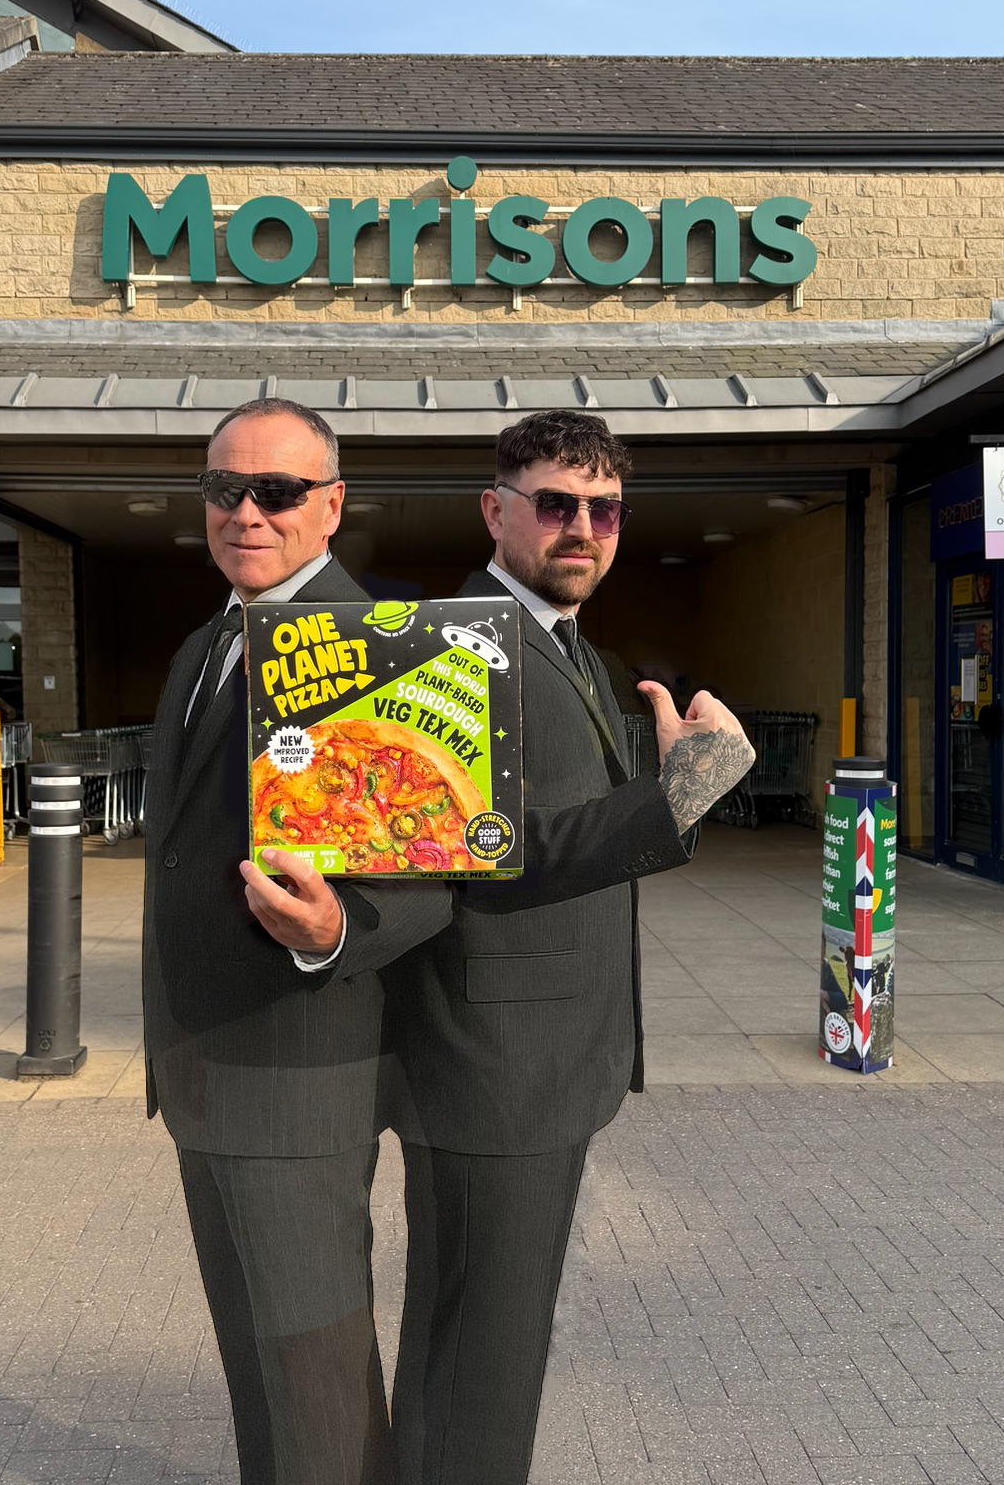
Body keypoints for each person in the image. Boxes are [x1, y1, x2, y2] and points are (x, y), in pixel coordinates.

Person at [386, 410, 755, 1485]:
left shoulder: (572, 646)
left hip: (549, 1058)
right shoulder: (449, 644)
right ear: (496, 511)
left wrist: (665, 790)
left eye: (604, 510)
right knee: (480, 1350)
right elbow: (465, 845)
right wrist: (677, 798)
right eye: (556, 504)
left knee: (494, 1337)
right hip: (491, 1064)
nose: (582, 528)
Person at [142, 397, 448, 1485]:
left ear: (332, 504)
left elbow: (430, 877)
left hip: (298, 1073)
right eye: (226, 490)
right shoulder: (207, 643)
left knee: (313, 1367)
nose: (247, 513)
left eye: (275, 492)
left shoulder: (382, 649)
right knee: (253, 1359)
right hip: (199, 1069)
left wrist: (335, 930)